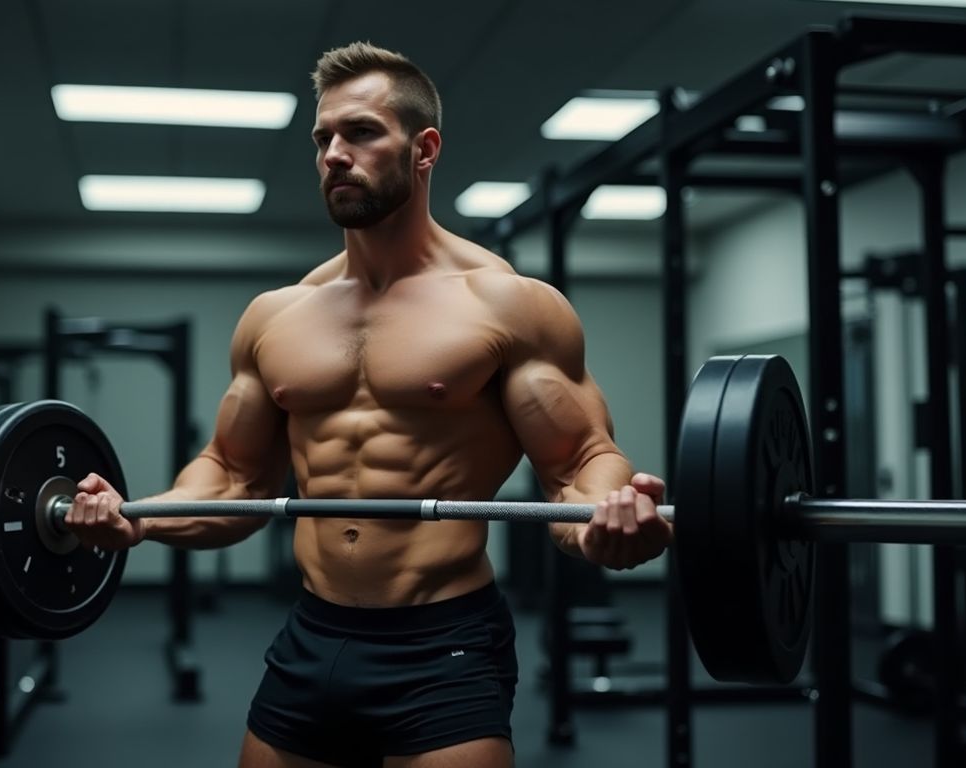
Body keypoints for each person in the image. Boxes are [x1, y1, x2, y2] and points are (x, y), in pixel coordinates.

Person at [65, 42, 673, 768]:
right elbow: (232, 476)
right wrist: (137, 519)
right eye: (322, 138)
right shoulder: (275, 316)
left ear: (424, 150)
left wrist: (605, 519)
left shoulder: (508, 305)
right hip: (311, 634)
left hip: (444, 644)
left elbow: (580, 461)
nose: (333, 154)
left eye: (359, 132)